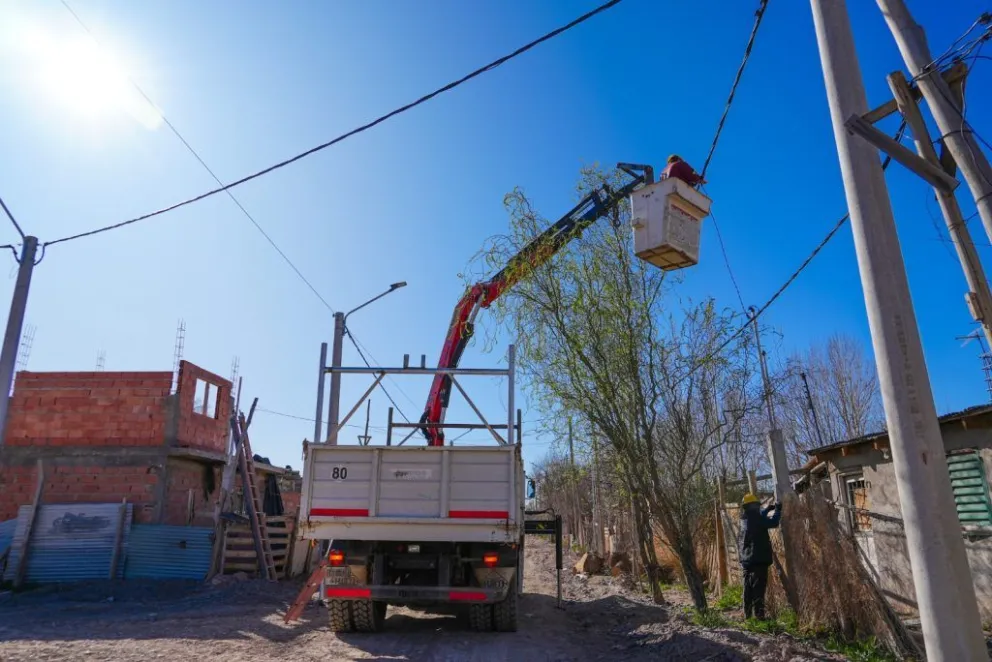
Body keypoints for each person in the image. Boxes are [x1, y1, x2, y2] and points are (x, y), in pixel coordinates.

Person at [737, 493, 781, 620]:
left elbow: (758, 521)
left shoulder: (743, 519)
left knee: (747, 588)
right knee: (758, 589)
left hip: (746, 560)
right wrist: (778, 509)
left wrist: (767, 510)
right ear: (755, 505)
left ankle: (747, 615)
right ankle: (759, 616)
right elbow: (774, 522)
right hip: (758, 559)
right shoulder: (756, 517)